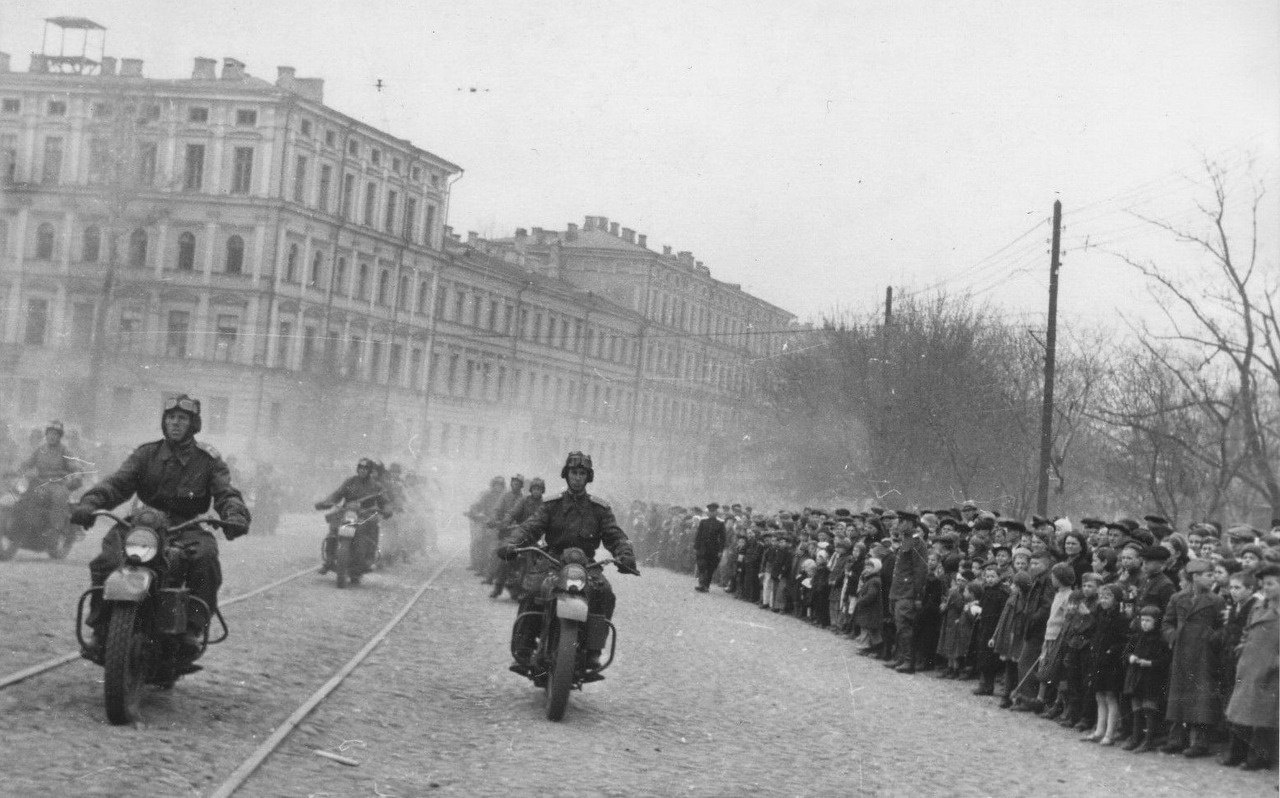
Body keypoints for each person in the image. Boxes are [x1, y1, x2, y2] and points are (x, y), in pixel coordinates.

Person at [71, 395, 250, 661]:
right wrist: (90, 503)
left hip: (187, 525)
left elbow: (226, 493)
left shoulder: (208, 460)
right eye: (170, 418)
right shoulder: (147, 454)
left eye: (182, 418)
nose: (175, 423)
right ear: (164, 422)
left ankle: (191, 629)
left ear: (193, 424)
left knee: (205, 559)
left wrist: (234, 514)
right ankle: (100, 628)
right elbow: (117, 484)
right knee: (107, 559)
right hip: (144, 523)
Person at [498, 451, 639, 677]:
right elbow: (530, 527)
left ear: (588, 477)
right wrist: (512, 543)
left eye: (582, 473)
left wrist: (625, 554)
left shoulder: (599, 509)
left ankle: (593, 650)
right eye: (574, 472)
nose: (577, 477)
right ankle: (524, 647)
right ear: (567, 475)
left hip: (586, 565)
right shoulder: (551, 505)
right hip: (553, 560)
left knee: (604, 593)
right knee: (534, 588)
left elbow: (615, 535)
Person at [314, 457, 391, 583]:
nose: (362, 471)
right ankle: (329, 560)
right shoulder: (350, 482)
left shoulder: (376, 486)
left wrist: (387, 509)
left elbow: (385, 501)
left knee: (372, 528)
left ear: (370, 471)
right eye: (360, 468)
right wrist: (325, 503)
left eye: (366, 468)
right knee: (333, 528)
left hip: (365, 514)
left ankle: (368, 560)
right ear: (357, 469)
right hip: (347, 512)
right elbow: (337, 495)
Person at [18, 420, 83, 540]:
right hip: (40, 482)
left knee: (58, 497)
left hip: (57, 483)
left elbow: (74, 465)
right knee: (24, 494)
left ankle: (55, 530)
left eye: (55, 434)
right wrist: (19, 469)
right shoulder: (40, 449)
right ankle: (25, 525)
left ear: (59, 437)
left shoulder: (65, 451)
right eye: (50, 433)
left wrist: (78, 474)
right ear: (46, 435)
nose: (52, 436)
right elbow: (28, 463)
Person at [693, 502, 727, 593]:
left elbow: (723, 539)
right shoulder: (703, 521)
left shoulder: (720, 523)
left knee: (710, 568)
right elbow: (698, 535)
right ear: (708, 512)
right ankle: (701, 584)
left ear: (716, 512)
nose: (711, 513)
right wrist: (696, 547)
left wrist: (720, 550)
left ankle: (706, 586)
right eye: (710, 511)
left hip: (713, 550)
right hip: (702, 548)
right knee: (701, 566)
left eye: (713, 511)